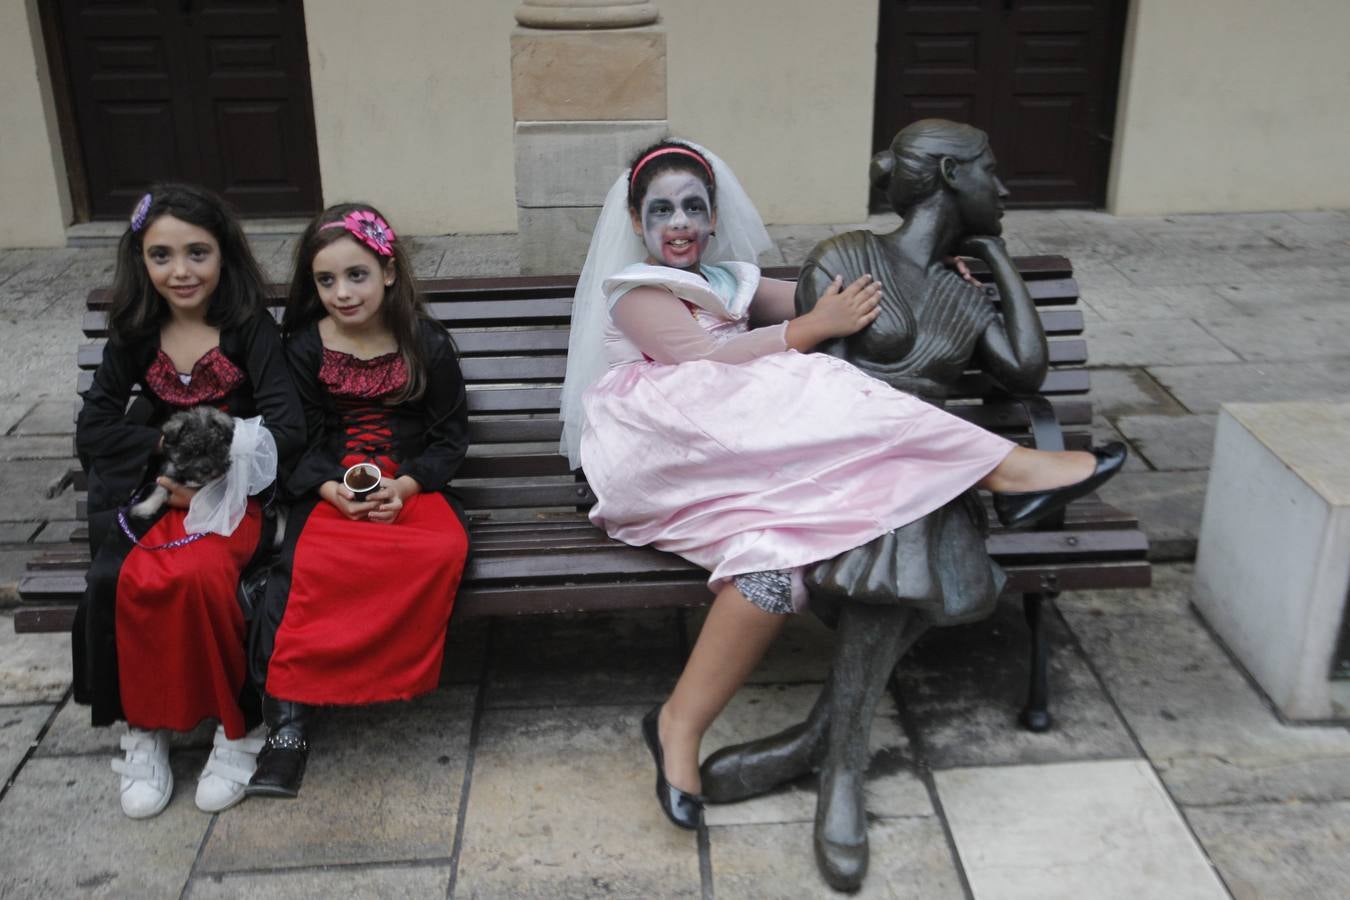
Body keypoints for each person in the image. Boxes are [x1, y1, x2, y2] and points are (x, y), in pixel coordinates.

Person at [559, 140, 1125, 839]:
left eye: (694, 208)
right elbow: (707, 359)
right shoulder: (639, 292)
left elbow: (824, 294)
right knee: (817, 374)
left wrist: (925, 274)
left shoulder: (732, 280)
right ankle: (1007, 469)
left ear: (712, 219)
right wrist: (806, 331)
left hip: (724, 463)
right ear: (639, 223)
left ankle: (678, 725)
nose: (680, 222)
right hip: (655, 452)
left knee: (772, 571)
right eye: (662, 210)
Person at [74, 183, 304, 819]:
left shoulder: (248, 330)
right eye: (162, 256)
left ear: (224, 255)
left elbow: (287, 427)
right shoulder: (135, 332)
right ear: (140, 260)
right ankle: (144, 728)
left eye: (198, 253)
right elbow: (93, 428)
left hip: (232, 493)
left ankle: (238, 730)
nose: (181, 271)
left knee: (200, 576)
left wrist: (213, 461)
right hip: (152, 493)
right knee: (116, 578)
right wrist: (165, 445)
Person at [246, 203, 470, 799]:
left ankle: (381, 677)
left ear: (389, 272)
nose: (342, 293)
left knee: (442, 549)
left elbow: (450, 440)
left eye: (357, 275)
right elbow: (292, 439)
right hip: (328, 487)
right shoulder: (302, 348)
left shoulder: (427, 343)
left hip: (408, 487)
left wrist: (408, 485)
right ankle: (287, 725)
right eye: (325, 280)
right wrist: (330, 489)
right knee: (307, 568)